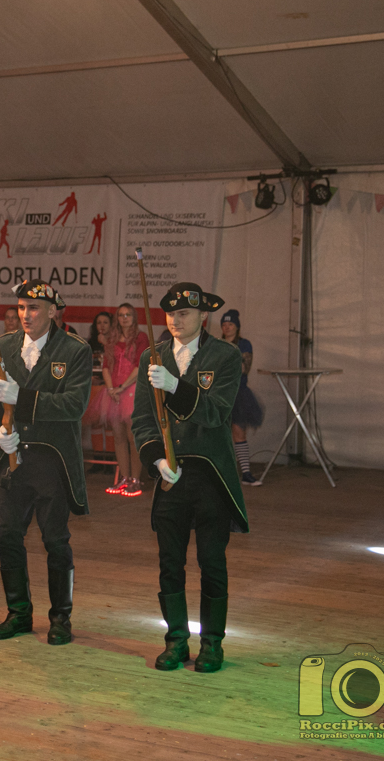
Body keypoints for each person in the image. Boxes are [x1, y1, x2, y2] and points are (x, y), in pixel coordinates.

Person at [132, 282, 247, 674]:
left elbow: (216, 413)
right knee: (170, 563)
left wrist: (175, 386)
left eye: (184, 313)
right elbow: (142, 419)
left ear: (203, 316)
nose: (175, 320)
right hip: (172, 476)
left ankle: (212, 643)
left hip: (211, 475)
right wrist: (154, 460)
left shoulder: (226, 356)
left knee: (212, 562)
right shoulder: (152, 357)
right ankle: (176, 641)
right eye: (170, 313)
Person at [0, 279, 92, 646]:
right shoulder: (4, 346)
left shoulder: (74, 350)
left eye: (34, 308)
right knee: (7, 536)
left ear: (53, 311)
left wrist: (23, 398)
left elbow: (74, 405)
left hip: (51, 460)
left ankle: (61, 617)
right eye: (21, 308)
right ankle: (18, 613)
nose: (25, 315)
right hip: (12, 457)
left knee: (55, 540)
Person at [96, 304, 149, 496]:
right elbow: (106, 366)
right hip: (114, 391)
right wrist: (111, 389)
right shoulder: (112, 338)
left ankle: (135, 479)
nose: (124, 318)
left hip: (131, 389)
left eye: (128, 315)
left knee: (132, 437)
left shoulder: (140, 337)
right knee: (118, 437)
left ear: (134, 317)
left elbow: (140, 365)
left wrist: (122, 387)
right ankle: (124, 478)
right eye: (121, 315)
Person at [219, 310, 264, 486]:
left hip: (238, 393)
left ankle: (245, 472)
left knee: (239, 432)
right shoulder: (217, 344)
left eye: (230, 324)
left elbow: (244, 369)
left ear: (237, 327)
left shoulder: (244, 344)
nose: (227, 327)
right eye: (224, 324)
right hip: (220, 393)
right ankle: (222, 473)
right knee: (220, 435)